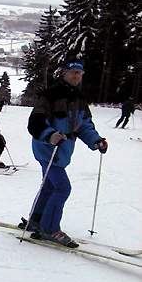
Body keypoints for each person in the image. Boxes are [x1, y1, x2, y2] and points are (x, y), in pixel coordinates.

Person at [25, 60, 108, 247]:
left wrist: (96, 141)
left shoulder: (79, 99)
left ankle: (36, 220)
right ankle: (49, 228)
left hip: (63, 151)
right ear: (63, 73)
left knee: (49, 186)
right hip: (47, 149)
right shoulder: (50, 95)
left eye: (80, 72)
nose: (76, 76)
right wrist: (50, 135)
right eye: (73, 72)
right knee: (63, 188)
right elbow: (35, 122)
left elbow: (85, 125)